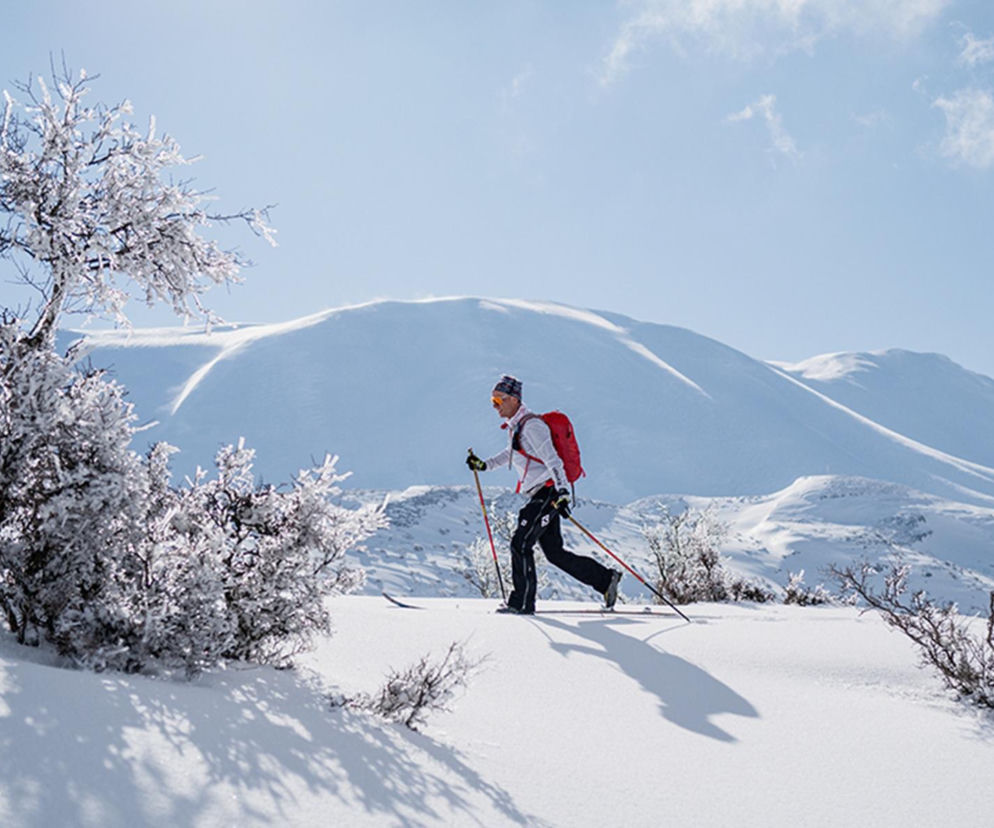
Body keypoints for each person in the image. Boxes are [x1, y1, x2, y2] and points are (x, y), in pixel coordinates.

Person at [466, 374, 622, 615]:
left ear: (514, 399)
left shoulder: (532, 426)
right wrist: (484, 465)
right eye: (492, 401)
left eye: (499, 400)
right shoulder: (517, 427)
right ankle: (605, 579)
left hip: (547, 492)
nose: (494, 406)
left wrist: (561, 492)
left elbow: (553, 460)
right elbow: (510, 454)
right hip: (540, 493)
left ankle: (521, 603)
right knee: (555, 554)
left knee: (521, 542)